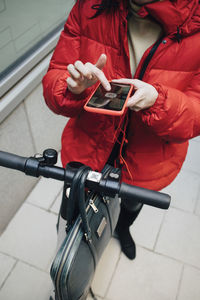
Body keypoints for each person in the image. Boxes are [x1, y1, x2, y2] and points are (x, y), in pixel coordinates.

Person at [42, 0, 200, 260]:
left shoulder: (194, 23)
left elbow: (195, 114)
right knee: (71, 212)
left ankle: (122, 229)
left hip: (148, 159)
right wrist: (72, 87)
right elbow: (56, 75)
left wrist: (159, 102)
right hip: (88, 144)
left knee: (131, 203)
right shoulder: (89, 6)